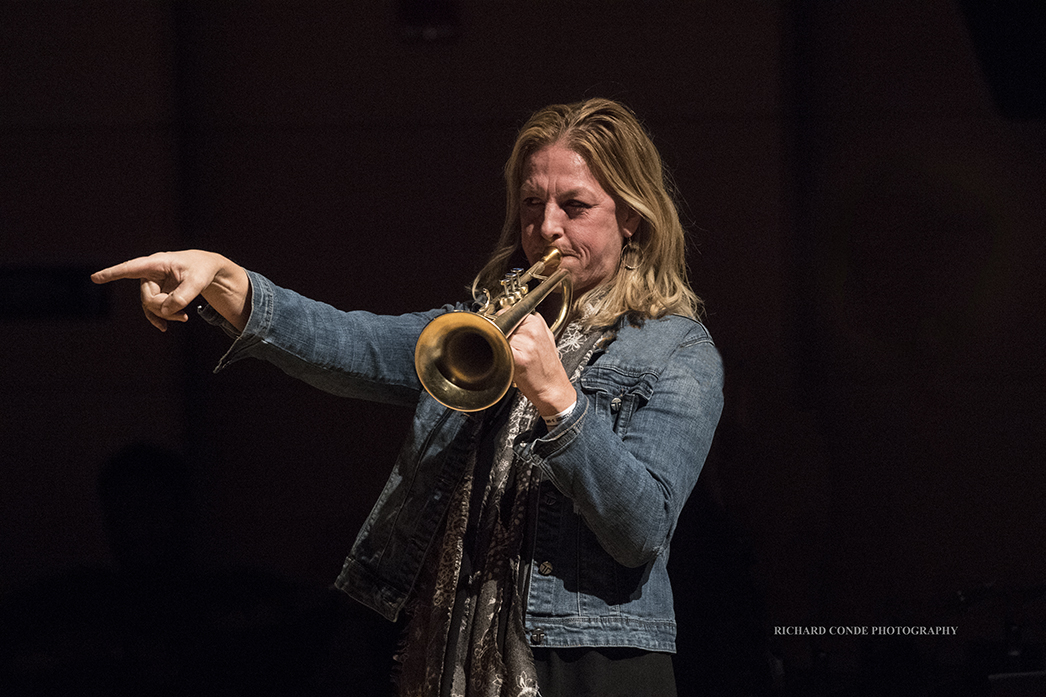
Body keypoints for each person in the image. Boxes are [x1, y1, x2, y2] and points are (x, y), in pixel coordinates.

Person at [92, 98, 725, 697]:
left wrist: (560, 401)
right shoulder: (483, 323)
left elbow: (641, 528)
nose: (546, 228)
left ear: (633, 216)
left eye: (575, 205)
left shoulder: (676, 351)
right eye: (532, 203)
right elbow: (353, 344)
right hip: (450, 651)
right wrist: (228, 281)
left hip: (584, 663)